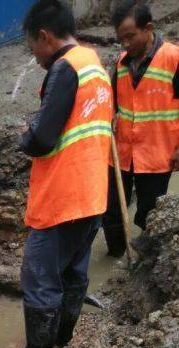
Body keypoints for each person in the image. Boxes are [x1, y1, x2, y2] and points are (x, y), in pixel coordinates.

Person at [0, 0, 113, 348]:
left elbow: (42, 139)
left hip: (63, 196)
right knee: (73, 272)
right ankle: (64, 339)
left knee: (40, 276)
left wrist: (23, 138)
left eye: (32, 47)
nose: (34, 57)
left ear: (44, 36)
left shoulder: (64, 69)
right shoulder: (92, 61)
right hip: (93, 191)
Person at [103, 1, 179, 257]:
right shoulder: (122, 64)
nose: (125, 44)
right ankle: (116, 259)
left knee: (149, 213)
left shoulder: (174, 59)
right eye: (120, 38)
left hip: (157, 154)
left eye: (130, 36)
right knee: (111, 210)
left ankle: (145, 262)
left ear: (148, 28)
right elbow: (112, 105)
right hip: (122, 153)